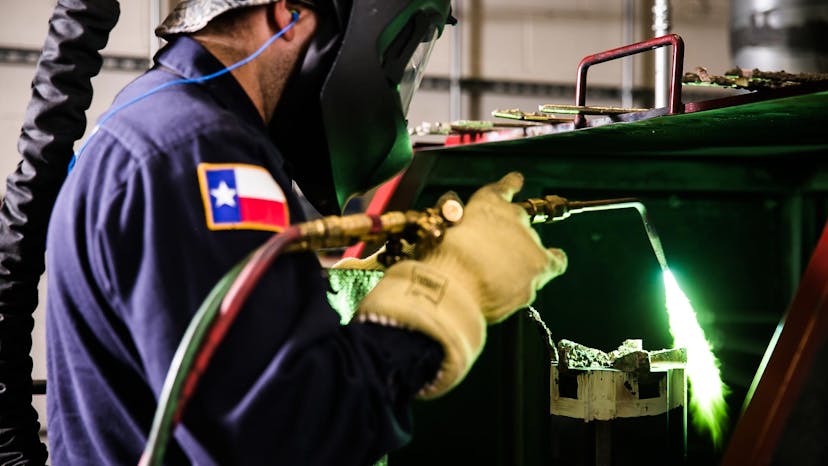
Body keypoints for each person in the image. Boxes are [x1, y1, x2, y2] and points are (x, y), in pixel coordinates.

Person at [44, 0, 568, 464]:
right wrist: (452, 289)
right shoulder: (201, 151)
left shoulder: (156, 116)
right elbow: (288, 434)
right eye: (395, 52)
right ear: (286, 16)